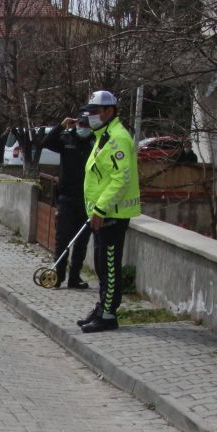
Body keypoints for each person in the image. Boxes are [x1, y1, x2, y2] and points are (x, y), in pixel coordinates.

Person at [78, 90, 140, 334]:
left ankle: (108, 315)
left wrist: (101, 208)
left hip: (111, 214)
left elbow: (120, 178)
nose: (90, 115)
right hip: (101, 214)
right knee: (101, 265)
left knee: (111, 267)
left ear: (109, 111)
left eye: (95, 111)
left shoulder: (117, 138)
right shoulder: (103, 136)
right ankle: (101, 306)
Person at [41, 112, 95, 289]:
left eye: (87, 125)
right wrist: (61, 126)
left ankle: (74, 277)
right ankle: (58, 275)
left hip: (87, 198)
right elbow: (47, 142)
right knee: (62, 238)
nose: (83, 128)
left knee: (81, 241)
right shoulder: (67, 138)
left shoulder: (94, 141)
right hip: (66, 197)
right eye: (81, 124)